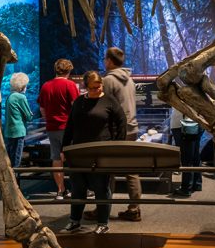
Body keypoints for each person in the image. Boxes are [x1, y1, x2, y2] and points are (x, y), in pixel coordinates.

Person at [61, 71, 126, 234]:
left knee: (101, 187)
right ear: (86, 87)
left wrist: (116, 146)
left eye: (99, 86)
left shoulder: (109, 101)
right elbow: (70, 126)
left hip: (101, 151)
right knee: (78, 187)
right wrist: (64, 148)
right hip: (79, 152)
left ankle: (103, 223)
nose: (97, 89)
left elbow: (122, 122)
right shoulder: (78, 102)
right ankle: (74, 221)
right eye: (93, 88)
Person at [85, 47, 143, 222]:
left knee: (105, 170)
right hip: (132, 128)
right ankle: (134, 208)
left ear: (109, 61)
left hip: (116, 131)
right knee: (131, 170)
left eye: (105, 59)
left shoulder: (109, 80)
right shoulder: (129, 80)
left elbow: (103, 107)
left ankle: (103, 208)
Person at [38, 58, 79, 200]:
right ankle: (78, 190)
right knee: (73, 158)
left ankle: (60, 191)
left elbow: (42, 108)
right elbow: (76, 107)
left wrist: (49, 119)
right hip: (68, 128)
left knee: (56, 158)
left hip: (51, 128)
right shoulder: (70, 85)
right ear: (68, 70)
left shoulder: (46, 86)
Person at [170, 108, 203, 196]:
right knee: (195, 155)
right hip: (197, 121)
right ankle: (196, 183)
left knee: (186, 158)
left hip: (183, 124)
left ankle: (186, 188)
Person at [4, 72, 33, 168]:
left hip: (9, 131)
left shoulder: (10, 96)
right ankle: (15, 180)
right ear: (22, 86)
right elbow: (29, 116)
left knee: (9, 157)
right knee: (16, 158)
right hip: (18, 132)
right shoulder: (21, 97)